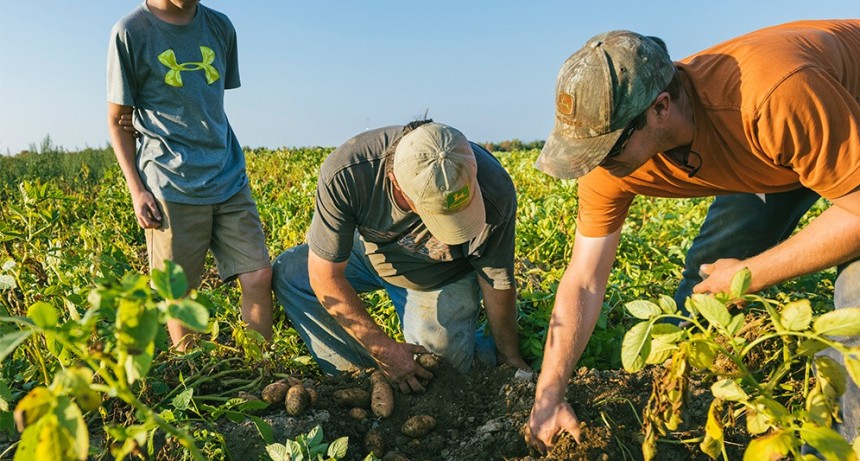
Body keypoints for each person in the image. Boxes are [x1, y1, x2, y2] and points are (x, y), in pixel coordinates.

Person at [526, 20, 860, 452]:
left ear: (661, 108)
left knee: (854, 307)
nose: (597, 165)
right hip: (782, 148)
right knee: (704, 289)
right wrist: (548, 394)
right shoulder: (609, 162)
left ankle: (843, 442)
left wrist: (752, 273)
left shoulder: (770, 97)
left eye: (607, 150)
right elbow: (585, 278)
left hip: (833, 110)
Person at [272, 120, 529, 393]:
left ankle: (475, 348)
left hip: (440, 275)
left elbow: (496, 279)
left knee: (441, 373)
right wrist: (383, 350)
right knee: (291, 273)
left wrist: (510, 358)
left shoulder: (494, 187)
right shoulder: (348, 171)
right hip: (370, 253)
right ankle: (363, 377)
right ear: (395, 183)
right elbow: (324, 276)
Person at [107, 0, 273, 350]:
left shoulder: (220, 27)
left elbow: (204, 99)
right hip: (170, 181)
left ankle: (261, 370)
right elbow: (116, 119)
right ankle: (193, 376)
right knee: (180, 292)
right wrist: (137, 190)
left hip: (228, 174)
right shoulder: (130, 32)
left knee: (258, 273)